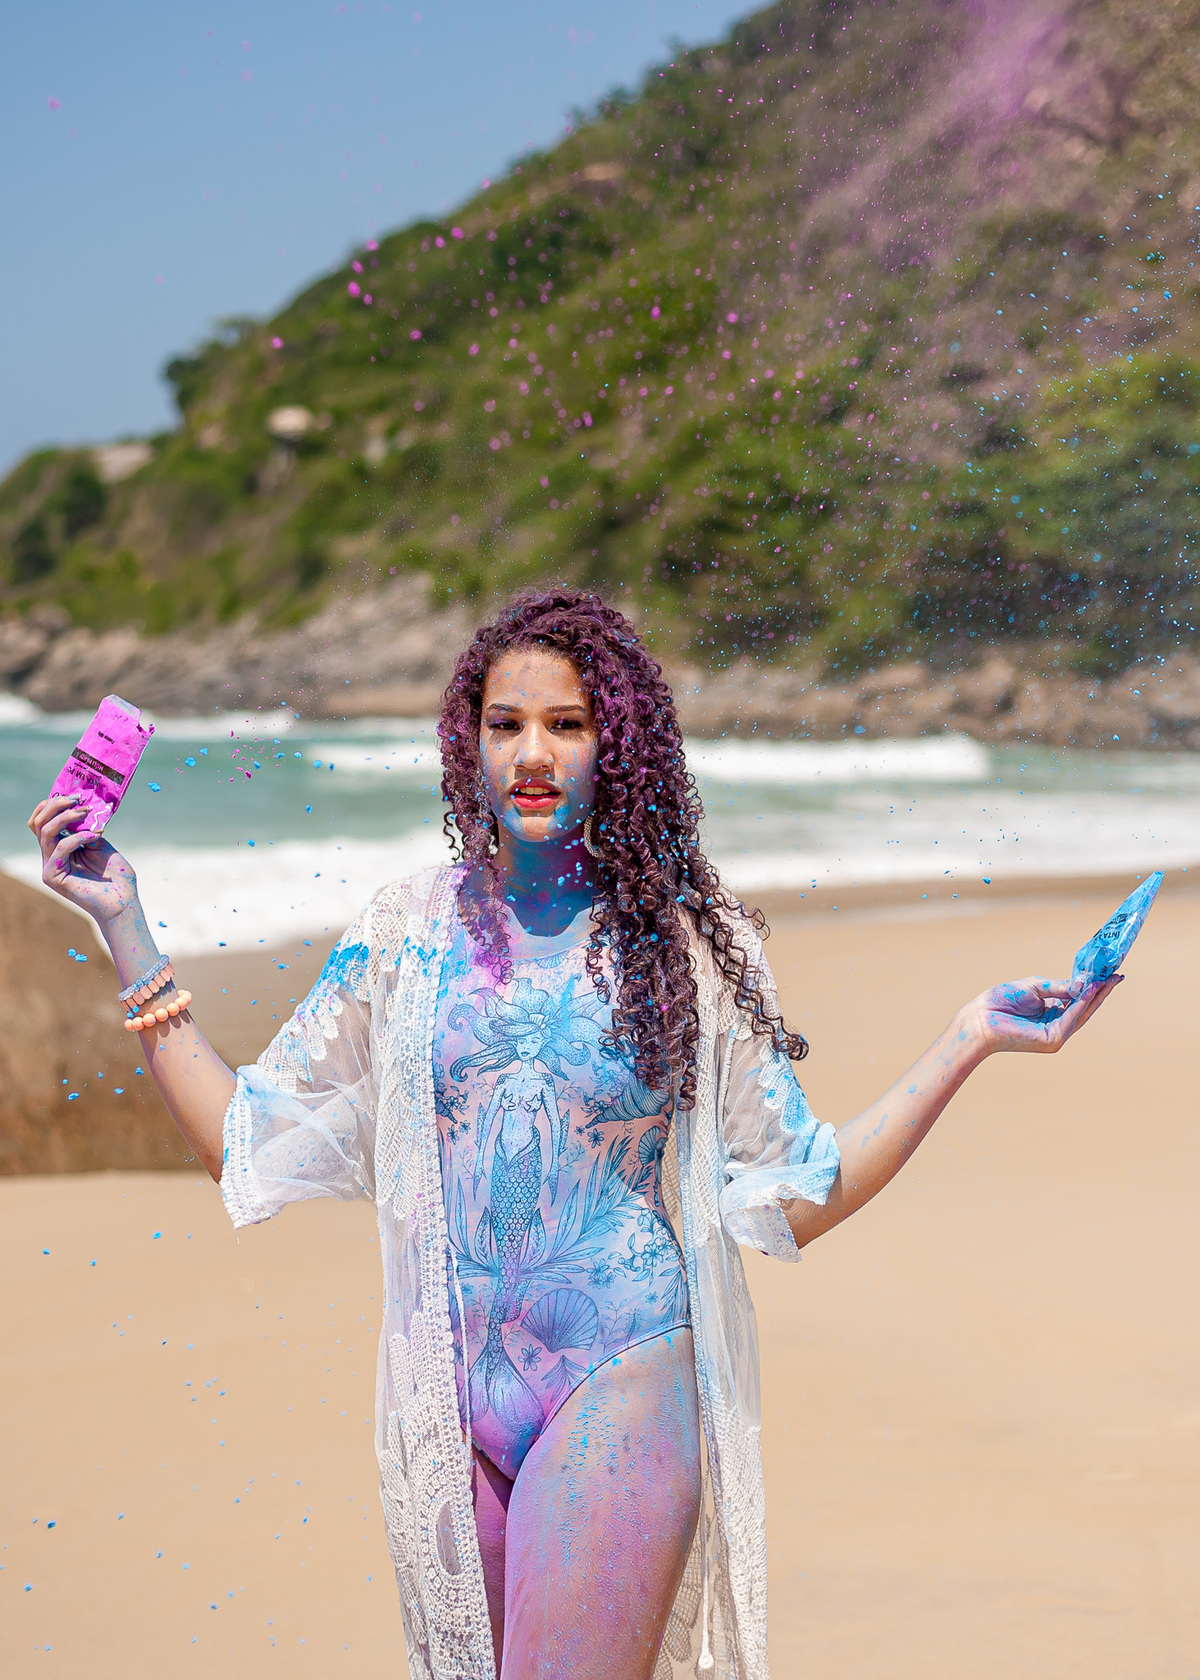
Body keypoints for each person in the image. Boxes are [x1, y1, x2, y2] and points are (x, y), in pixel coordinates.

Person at [28, 587, 1119, 1680]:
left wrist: (966, 1039)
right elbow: (243, 1139)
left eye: (567, 724)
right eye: (505, 725)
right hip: (452, 1412)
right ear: (470, 742)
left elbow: (801, 1193)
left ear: (617, 744)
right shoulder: (407, 933)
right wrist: (126, 925)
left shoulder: (685, 944)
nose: (533, 755)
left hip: (621, 1381)